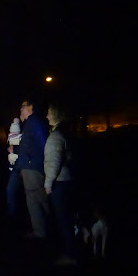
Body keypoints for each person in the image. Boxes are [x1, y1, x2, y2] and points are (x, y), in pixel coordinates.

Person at [44, 103, 78, 263]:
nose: (47, 116)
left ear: (56, 115)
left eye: (49, 113)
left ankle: (71, 255)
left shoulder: (56, 136)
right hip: (67, 181)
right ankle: (74, 250)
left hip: (60, 182)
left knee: (63, 219)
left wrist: (48, 183)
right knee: (67, 218)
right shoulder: (64, 132)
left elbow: (54, 162)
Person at [15, 99, 49, 240]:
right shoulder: (30, 124)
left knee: (40, 199)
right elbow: (27, 147)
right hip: (29, 168)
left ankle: (49, 230)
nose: (20, 110)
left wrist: (29, 162)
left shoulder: (33, 123)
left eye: (23, 107)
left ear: (31, 108)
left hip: (33, 169)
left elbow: (40, 145)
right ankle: (40, 231)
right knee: (33, 200)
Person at [6, 116, 23, 223]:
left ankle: (14, 215)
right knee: (12, 191)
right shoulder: (11, 139)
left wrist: (14, 149)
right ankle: (13, 215)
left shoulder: (23, 137)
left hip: (19, 167)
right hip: (15, 167)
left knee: (11, 191)